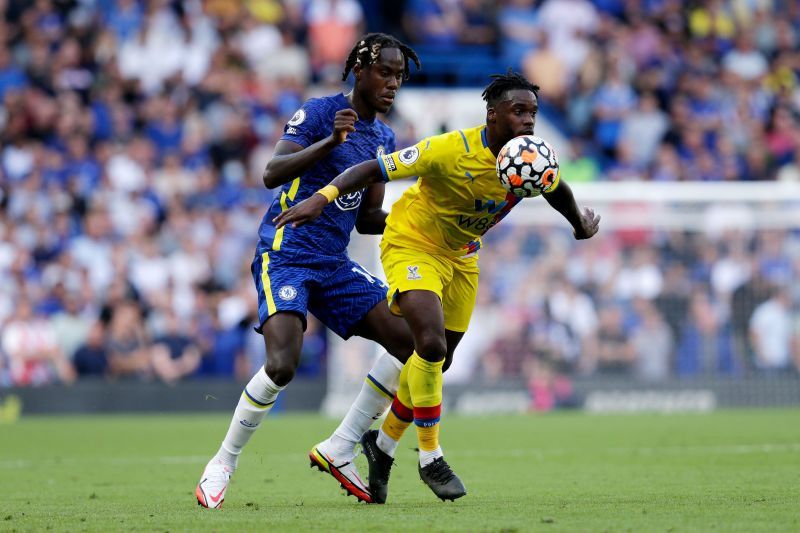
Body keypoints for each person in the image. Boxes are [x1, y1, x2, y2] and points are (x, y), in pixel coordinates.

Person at [275, 70, 601, 502]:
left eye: (533, 112)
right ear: (492, 115)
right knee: (429, 344)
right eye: (518, 111)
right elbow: (369, 169)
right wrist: (323, 196)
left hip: (462, 256)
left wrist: (580, 223)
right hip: (412, 242)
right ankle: (431, 456)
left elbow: (556, 188)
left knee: (433, 363)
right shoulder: (448, 150)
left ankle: (382, 443)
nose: (528, 120)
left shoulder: (531, 157)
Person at [195, 33, 421, 508]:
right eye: (386, 72)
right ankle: (223, 462)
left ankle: (343, 445)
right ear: (359, 70)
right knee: (281, 365)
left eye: (399, 75)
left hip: (334, 264)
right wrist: (329, 143)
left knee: (413, 341)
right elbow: (272, 172)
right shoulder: (320, 112)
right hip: (288, 252)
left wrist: (429, 221)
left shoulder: (382, 137)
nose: (393, 83)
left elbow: (366, 218)